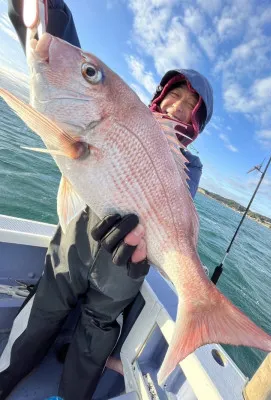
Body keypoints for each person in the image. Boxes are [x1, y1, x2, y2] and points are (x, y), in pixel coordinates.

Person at [0, 1, 213, 399]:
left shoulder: (190, 168)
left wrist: (149, 253)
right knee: (47, 302)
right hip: (75, 244)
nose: (178, 108)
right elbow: (61, 44)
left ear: (197, 126)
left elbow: (171, 221)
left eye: (190, 107)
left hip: (124, 264)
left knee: (98, 330)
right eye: (175, 96)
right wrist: (43, 12)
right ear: (160, 95)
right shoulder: (119, 109)